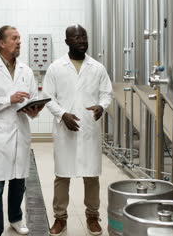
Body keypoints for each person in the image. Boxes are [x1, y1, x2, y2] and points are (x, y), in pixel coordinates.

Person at [43, 24, 113, 236]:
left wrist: (102, 106)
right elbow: (48, 97)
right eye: (76, 37)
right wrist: (62, 115)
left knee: (91, 176)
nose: (82, 40)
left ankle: (93, 216)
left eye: (84, 37)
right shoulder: (56, 67)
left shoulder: (98, 67)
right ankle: (60, 219)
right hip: (66, 131)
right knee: (62, 176)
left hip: (89, 129)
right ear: (67, 42)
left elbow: (106, 94)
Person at [0, 25, 44, 236]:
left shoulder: (26, 70)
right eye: (14, 38)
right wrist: (8, 100)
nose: (19, 42)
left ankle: (15, 218)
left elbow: (32, 100)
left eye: (19, 38)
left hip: (20, 131)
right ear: (1, 43)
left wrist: (33, 111)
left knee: (18, 182)